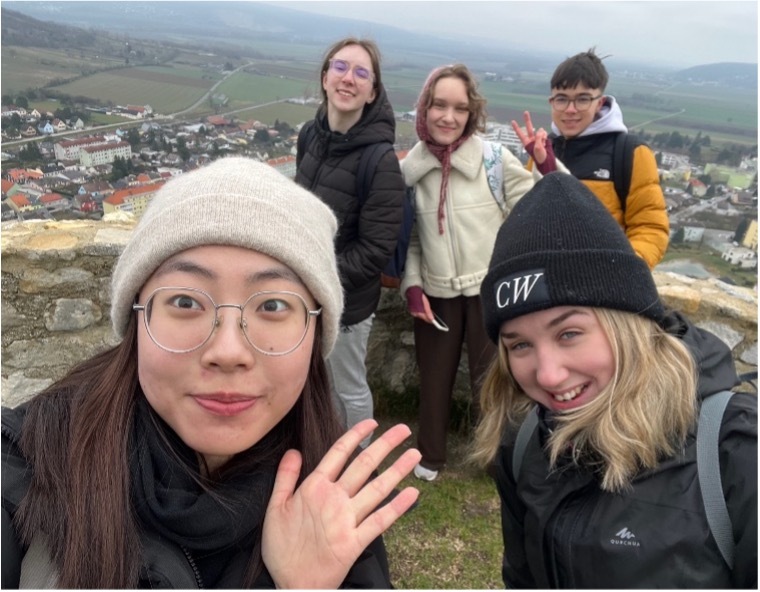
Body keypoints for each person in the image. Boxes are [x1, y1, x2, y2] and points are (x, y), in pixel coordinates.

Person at [1, 157, 422, 589]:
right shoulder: (22, 469)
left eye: (273, 305)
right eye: (185, 302)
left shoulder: (333, 501)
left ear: (314, 333)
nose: (228, 352)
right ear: (138, 318)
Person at [473, 172, 757, 588]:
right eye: (520, 345)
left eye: (569, 333)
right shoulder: (524, 442)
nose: (548, 374)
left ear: (627, 324)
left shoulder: (737, 455)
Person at [400, 64, 557, 482]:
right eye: (439, 105)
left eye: (460, 108)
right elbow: (411, 240)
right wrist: (412, 285)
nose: (448, 117)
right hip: (436, 293)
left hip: (491, 290)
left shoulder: (493, 159)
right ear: (424, 107)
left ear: (472, 113)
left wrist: (545, 164)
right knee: (434, 378)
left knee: (494, 383)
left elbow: (539, 207)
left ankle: (498, 459)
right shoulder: (411, 170)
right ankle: (431, 454)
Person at [296, 37, 405, 448]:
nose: (348, 78)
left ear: (372, 92)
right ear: (325, 78)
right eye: (340, 67)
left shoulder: (380, 161)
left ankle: (360, 459)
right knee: (312, 381)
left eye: (362, 73)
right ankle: (322, 449)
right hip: (305, 290)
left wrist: (316, 276)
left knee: (348, 387)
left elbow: (375, 250)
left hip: (348, 303)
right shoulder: (310, 136)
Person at [511, 48, 670, 269]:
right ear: (551, 102)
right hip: (548, 276)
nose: (570, 109)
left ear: (600, 102)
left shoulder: (629, 152)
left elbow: (650, 228)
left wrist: (624, 270)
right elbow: (527, 219)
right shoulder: (543, 150)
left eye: (583, 99)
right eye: (562, 99)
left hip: (607, 278)